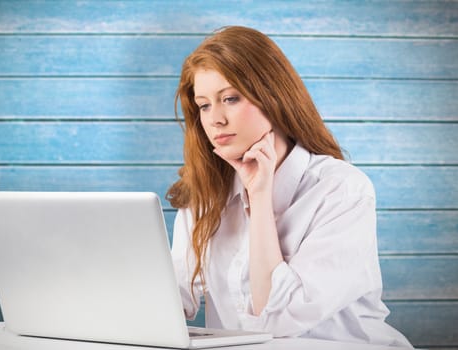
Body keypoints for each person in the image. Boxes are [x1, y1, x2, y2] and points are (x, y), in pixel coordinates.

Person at [166, 26, 412, 348]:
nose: (215, 120)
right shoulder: (205, 193)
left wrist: (259, 195)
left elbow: (277, 318)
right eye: (204, 105)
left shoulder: (341, 190)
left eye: (230, 98)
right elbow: (174, 297)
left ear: (272, 96)